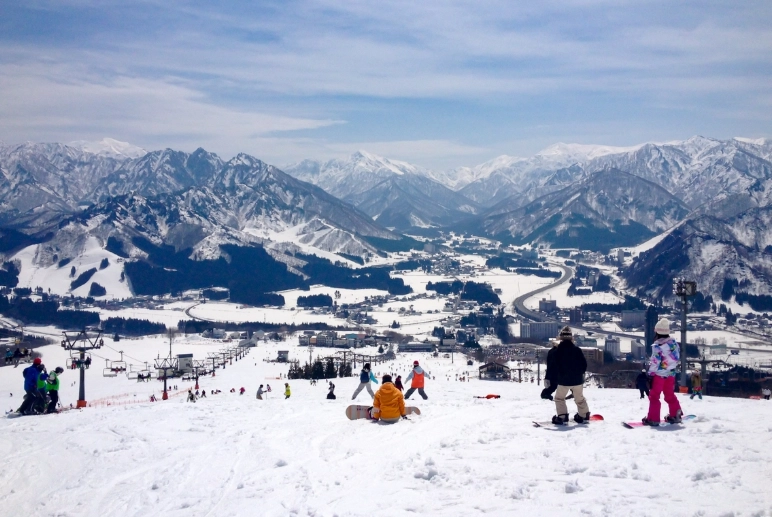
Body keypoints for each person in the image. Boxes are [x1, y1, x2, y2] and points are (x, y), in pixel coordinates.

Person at [642, 318, 683, 425]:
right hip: (671, 375)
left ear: (657, 332)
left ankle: (653, 419)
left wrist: (650, 374)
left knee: (654, 396)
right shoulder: (674, 344)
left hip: (659, 376)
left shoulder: (658, 346)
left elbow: (655, 362)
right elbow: (676, 358)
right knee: (669, 395)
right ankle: (676, 414)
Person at [550, 327, 591, 425]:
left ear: (561, 338)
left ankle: (562, 416)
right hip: (577, 380)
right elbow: (584, 365)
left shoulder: (557, 351)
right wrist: (579, 374)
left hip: (564, 381)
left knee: (559, 398)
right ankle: (584, 415)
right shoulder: (577, 350)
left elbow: (554, 366)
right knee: (579, 398)